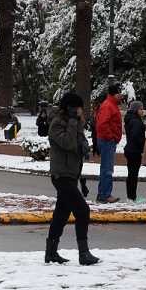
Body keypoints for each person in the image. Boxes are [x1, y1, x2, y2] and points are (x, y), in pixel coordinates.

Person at [44, 92, 100, 266]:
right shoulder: (57, 124)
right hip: (61, 175)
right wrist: (74, 123)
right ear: (72, 108)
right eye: (79, 108)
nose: (82, 111)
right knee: (82, 211)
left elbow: (78, 148)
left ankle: (51, 253)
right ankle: (83, 253)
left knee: (61, 214)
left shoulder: (74, 124)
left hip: (71, 174)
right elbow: (68, 144)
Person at [94, 83, 124, 203]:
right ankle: (104, 195)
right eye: (119, 93)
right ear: (115, 94)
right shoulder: (109, 105)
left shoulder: (111, 104)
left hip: (108, 140)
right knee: (107, 168)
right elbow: (102, 124)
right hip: (107, 141)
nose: (121, 96)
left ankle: (103, 193)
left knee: (106, 168)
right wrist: (111, 137)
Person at [123, 101, 146, 203]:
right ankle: (132, 197)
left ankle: (131, 196)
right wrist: (143, 144)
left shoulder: (130, 119)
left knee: (131, 174)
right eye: (141, 109)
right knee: (133, 174)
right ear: (136, 110)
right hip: (134, 150)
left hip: (130, 149)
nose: (142, 111)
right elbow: (136, 136)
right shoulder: (136, 121)